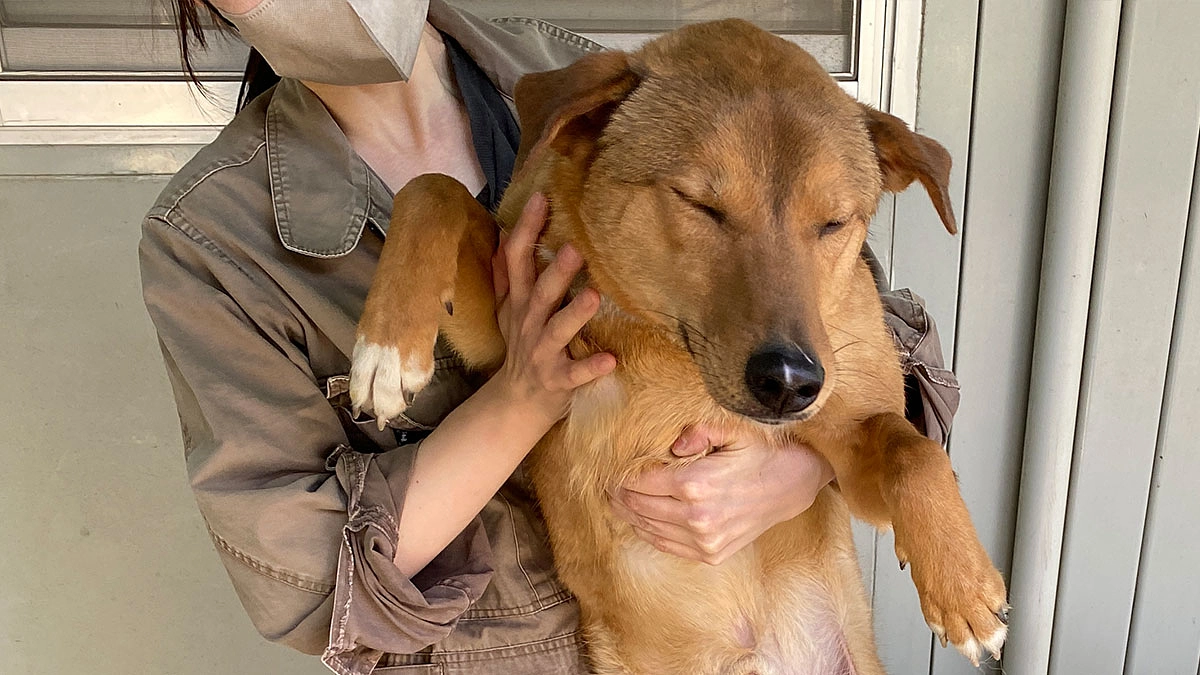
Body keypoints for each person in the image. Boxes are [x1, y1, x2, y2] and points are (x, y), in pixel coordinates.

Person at [142, 1, 961, 673]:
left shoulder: (620, 84)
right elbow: (309, 584)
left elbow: (843, 344)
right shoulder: (214, 238)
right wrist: (522, 400)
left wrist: (792, 470)